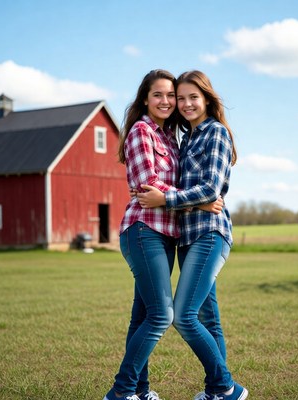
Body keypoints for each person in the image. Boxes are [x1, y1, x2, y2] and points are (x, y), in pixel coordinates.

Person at [103, 69, 223, 400]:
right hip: (144, 229)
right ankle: (122, 391)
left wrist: (194, 197)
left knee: (142, 315)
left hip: (167, 234)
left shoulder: (170, 137)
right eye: (159, 95)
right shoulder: (142, 131)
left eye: (172, 95)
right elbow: (148, 188)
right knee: (162, 315)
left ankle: (139, 392)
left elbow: (181, 188)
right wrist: (200, 202)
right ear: (145, 98)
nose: (168, 101)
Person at [137, 70, 249, 400]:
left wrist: (166, 199)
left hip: (209, 235)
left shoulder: (215, 132)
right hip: (188, 236)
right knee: (208, 319)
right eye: (180, 98)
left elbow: (211, 189)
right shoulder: (188, 139)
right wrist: (197, 203)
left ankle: (227, 387)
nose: (184, 104)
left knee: (184, 315)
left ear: (207, 99)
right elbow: (200, 196)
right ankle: (217, 393)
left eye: (192, 97)